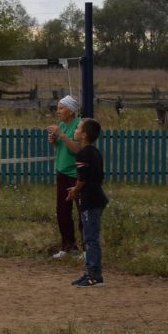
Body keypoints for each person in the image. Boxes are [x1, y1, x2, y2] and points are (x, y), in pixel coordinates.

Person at [69, 117, 109, 287]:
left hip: (91, 200)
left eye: (77, 128)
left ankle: (95, 276)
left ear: (84, 134)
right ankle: (90, 272)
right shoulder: (95, 152)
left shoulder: (83, 153)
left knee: (91, 239)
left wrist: (74, 191)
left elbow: (82, 179)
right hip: (96, 198)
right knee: (89, 237)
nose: (75, 131)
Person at [46, 94, 86, 260]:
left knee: (82, 211)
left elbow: (77, 150)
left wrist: (61, 134)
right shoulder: (62, 124)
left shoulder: (79, 125)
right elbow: (61, 149)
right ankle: (68, 246)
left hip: (76, 174)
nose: (58, 111)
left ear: (71, 111)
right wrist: (54, 140)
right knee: (62, 211)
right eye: (57, 108)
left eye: (61, 108)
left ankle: (86, 249)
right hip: (62, 172)